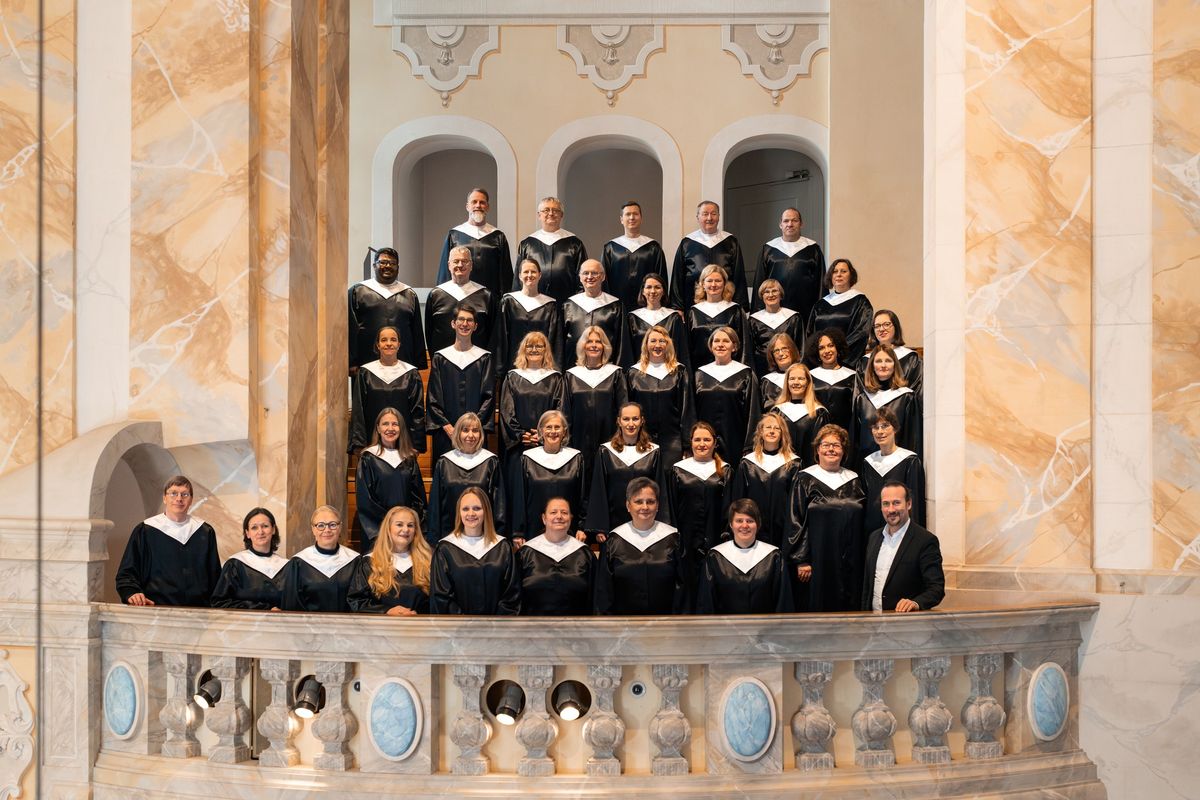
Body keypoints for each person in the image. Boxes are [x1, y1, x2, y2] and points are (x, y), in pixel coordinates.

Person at [789, 424, 866, 613]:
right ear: (817, 450)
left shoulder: (854, 479)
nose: (831, 449)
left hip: (851, 558)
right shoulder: (804, 479)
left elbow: (863, 519)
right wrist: (802, 559)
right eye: (825, 445)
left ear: (843, 451)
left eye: (837, 445)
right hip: (817, 558)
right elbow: (795, 520)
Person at [116, 476, 221, 607]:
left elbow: (215, 576)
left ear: (191, 500)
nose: (179, 499)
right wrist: (132, 592)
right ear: (164, 498)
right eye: (173, 493)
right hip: (156, 609)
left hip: (198, 612)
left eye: (185, 494)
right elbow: (127, 573)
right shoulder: (145, 530)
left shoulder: (204, 531)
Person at [594, 478, 684, 615]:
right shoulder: (613, 541)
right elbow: (604, 592)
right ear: (628, 506)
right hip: (624, 627)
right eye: (638, 502)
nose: (645, 507)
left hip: (665, 626)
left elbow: (683, 590)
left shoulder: (674, 539)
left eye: (650, 501)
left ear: (658, 505)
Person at [665, 422, 730, 610]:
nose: (702, 444)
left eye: (707, 439)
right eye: (697, 439)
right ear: (690, 442)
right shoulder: (678, 470)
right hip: (685, 539)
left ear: (715, 443)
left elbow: (729, 508)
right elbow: (671, 505)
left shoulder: (725, 471)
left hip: (716, 535)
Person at [430, 487, 521, 615]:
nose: (471, 513)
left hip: (497, 629)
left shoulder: (502, 547)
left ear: (486, 511)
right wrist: (465, 626)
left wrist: (496, 625)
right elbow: (441, 597)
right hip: (458, 630)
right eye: (465, 509)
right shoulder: (445, 549)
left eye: (477, 508)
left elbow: (511, 594)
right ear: (459, 512)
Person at [696, 499, 793, 614]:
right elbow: (707, 602)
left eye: (750, 521)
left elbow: (783, 602)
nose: (745, 525)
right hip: (726, 629)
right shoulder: (715, 557)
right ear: (731, 524)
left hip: (765, 629)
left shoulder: (774, 557)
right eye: (739, 520)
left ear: (758, 524)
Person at [426, 304, 496, 461]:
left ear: (475, 326)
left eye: (469, 320)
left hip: (475, 434)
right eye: (461, 319)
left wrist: (473, 428)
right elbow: (433, 398)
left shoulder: (484, 358)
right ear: (453, 324)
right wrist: (449, 428)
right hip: (446, 435)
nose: (465, 324)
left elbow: (489, 397)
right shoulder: (440, 358)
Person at [585, 402, 667, 537]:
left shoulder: (654, 452)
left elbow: (660, 490)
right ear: (619, 421)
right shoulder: (605, 451)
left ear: (642, 421)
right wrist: (600, 527)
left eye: (635, 419)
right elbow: (599, 490)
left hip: (646, 521)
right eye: (626, 419)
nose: (631, 423)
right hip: (613, 523)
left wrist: (661, 524)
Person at [862, 481, 944, 613]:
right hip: (873, 625)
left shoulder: (926, 541)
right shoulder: (874, 538)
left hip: (905, 624)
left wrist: (916, 603)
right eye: (886, 504)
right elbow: (867, 587)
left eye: (896, 503)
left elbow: (936, 588)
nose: (891, 510)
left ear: (909, 504)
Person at [498, 331, 566, 487]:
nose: (534, 349)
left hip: (547, 444)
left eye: (539, 346)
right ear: (523, 349)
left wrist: (543, 435)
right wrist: (522, 435)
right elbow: (506, 412)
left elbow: (560, 411)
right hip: (518, 446)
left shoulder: (555, 378)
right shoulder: (512, 377)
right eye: (530, 346)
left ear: (546, 350)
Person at [725, 412, 801, 551]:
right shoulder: (747, 463)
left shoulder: (793, 464)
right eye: (768, 427)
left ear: (782, 433)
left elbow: (796, 503)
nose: (772, 431)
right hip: (752, 528)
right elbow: (738, 500)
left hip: (783, 529)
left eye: (777, 428)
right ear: (760, 432)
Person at [427, 413, 506, 544]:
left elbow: (499, 505)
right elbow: (435, 505)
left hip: (484, 538)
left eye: (475, 430)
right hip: (449, 536)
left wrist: (498, 537)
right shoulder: (444, 462)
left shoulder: (491, 462)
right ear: (457, 433)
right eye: (465, 430)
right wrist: (434, 540)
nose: (470, 435)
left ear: (481, 434)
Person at [355, 408, 427, 552]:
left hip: (405, 532)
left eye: (395, 424)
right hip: (379, 530)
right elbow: (365, 500)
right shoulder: (368, 458)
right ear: (378, 428)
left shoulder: (409, 459)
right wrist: (389, 526)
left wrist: (406, 526)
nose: (390, 428)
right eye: (385, 424)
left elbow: (418, 498)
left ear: (401, 428)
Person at [510, 410, 587, 543]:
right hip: (534, 529)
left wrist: (583, 526)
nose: (553, 431)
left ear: (564, 431)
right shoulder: (527, 459)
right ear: (541, 432)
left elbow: (583, 495)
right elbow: (520, 499)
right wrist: (518, 531)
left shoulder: (576, 459)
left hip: (568, 529)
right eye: (548, 427)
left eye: (557, 427)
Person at [348, 326, 427, 455]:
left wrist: (416, 445)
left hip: (404, 446)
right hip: (371, 444)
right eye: (384, 340)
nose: (389, 343)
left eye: (393, 340)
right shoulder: (365, 373)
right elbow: (358, 411)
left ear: (399, 344)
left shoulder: (411, 374)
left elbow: (417, 412)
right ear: (378, 345)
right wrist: (359, 444)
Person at [348, 247, 427, 372]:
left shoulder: (409, 294)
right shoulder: (358, 292)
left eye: (392, 263)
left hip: (402, 365)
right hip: (366, 363)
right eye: (383, 262)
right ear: (374, 266)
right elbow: (350, 330)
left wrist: (418, 362)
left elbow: (416, 331)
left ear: (398, 267)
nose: (388, 266)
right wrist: (351, 362)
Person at [564, 326, 628, 480]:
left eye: (598, 342)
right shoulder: (571, 375)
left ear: (604, 346)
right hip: (578, 440)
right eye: (589, 341)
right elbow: (564, 411)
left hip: (609, 438)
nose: (593, 345)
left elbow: (623, 410)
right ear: (583, 346)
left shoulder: (615, 374)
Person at [626, 325, 694, 466]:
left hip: (672, 441)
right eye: (653, 341)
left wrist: (687, 443)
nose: (657, 345)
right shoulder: (634, 374)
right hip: (642, 439)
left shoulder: (679, 371)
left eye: (662, 341)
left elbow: (687, 408)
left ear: (668, 344)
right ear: (646, 344)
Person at [347, 505, 432, 614]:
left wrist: (417, 614)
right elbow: (356, 601)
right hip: (381, 628)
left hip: (419, 628)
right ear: (388, 528)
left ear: (415, 531)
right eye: (399, 524)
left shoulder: (427, 561)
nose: (405, 529)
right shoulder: (370, 562)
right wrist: (387, 611)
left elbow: (435, 601)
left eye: (410, 525)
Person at [516, 498, 595, 615]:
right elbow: (514, 597)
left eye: (564, 512)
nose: (559, 516)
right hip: (532, 628)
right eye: (553, 512)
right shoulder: (525, 553)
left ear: (570, 519)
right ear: (544, 518)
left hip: (576, 628)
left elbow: (595, 597)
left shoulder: (585, 553)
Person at [435, 188, 513, 304]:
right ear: (467, 206)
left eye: (482, 202)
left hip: (490, 301)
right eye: (474, 202)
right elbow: (445, 272)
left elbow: (505, 275)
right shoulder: (454, 235)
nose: (478, 205)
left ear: (487, 207)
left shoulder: (498, 236)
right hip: (459, 299)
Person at [693, 326, 760, 462]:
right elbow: (692, 410)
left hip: (735, 440)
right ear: (711, 346)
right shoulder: (699, 374)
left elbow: (753, 412)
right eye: (716, 341)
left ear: (734, 347)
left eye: (726, 341)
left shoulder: (745, 373)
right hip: (704, 442)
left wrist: (749, 446)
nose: (720, 345)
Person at [279, 506, 359, 612]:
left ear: (340, 527)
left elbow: (359, 601)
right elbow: (292, 604)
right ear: (313, 529)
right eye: (320, 525)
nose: (327, 530)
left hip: (347, 626)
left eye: (333, 525)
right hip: (309, 626)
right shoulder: (298, 563)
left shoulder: (355, 561)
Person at [670, 200, 747, 311]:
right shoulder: (687, 243)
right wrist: (677, 307)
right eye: (705, 214)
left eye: (714, 214)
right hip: (692, 304)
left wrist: (740, 306)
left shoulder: (731, 242)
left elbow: (739, 276)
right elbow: (677, 277)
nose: (709, 218)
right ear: (698, 217)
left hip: (725, 305)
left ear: (719, 216)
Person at [852, 343, 922, 466]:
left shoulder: (907, 397)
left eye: (888, 361)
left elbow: (913, 439)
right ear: (872, 366)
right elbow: (856, 441)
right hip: (868, 466)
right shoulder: (862, 399)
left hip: (898, 466)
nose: (883, 365)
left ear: (895, 365)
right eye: (878, 361)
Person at [752, 207, 826, 322]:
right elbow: (760, 282)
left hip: (806, 311)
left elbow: (821, 283)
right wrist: (758, 314)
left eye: (794, 220)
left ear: (801, 224)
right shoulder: (768, 249)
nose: (790, 224)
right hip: (774, 311)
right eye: (786, 221)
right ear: (780, 224)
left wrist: (821, 313)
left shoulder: (813, 249)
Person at [860, 407, 926, 535]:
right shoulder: (868, 462)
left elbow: (915, 504)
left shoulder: (909, 460)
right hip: (873, 532)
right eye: (875, 427)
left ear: (895, 428)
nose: (880, 431)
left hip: (901, 530)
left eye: (885, 426)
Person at [211, 507, 288, 609]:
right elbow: (220, 603)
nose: (260, 532)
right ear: (247, 533)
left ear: (273, 529)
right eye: (254, 528)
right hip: (246, 623)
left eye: (265, 526)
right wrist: (265, 610)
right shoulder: (235, 565)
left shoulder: (287, 566)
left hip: (282, 623)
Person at [425, 245, 497, 354]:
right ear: (449, 265)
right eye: (456, 261)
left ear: (471, 265)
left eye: (465, 261)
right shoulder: (435, 295)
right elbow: (429, 331)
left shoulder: (486, 296)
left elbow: (493, 334)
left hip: (478, 362)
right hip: (443, 363)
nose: (460, 265)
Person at [515, 196, 588, 302]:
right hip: (534, 304)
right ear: (539, 215)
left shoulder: (574, 243)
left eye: (555, 210)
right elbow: (518, 278)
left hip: (566, 302)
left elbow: (583, 276)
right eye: (546, 210)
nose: (551, 213)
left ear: (561, 215)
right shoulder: (527, 244)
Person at [497, 259, 563, 370]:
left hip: (542, 368)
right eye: (526, 272)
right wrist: (499, 370)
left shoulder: (550, 305)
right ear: (519, 275)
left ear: (540, 275)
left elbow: (555, 341)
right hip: (513, 367)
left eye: (533, 272)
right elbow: (501, 338)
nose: (529, 275)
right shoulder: (508, 302)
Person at [601, 200, 668, 310]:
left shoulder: (653, 247)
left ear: (641, 218)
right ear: (621, 219)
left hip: (647, 307)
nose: (632, 217)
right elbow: (604, 281)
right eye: (628, 214)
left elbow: (661, 277)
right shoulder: (611, 248)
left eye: (635, 214)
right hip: (617, 307)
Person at [806, 258, 874, 365]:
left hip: (847, 362)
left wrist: (837, 351)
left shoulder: (860, 301)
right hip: (822, 361)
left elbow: (861, 332)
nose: (839, 274)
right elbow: (810, 333)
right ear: (831, 276)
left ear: (851, 275)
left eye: (843, 271)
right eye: (835, 271)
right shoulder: (820, 304)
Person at [563, 259, 629, 368]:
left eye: (594, 273)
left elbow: (622, 343)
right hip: (573, 369)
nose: (590, 277)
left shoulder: (615, 306)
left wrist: (618, 372)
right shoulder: (568, 305)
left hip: (606, 370)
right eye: (585, 273)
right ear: (580, 277)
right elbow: (561, 342)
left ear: (603, 277)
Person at [686, 264, 750, 368]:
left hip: (730, 371)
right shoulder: (693, 312)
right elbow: (687, 348)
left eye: (718, 281)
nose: (714, 284)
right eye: (709, 281)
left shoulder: (735, 310)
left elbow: (744, 346)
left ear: (725, 284)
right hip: (699, 372)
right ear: (702, 284)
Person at [771, 363, 829, 467]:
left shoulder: (819, 413)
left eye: (801, 379)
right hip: (782, 470)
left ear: (808, 383)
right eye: (792, 378)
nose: (796, 382)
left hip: (810, 470)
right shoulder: (777, 411)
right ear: (787, 382)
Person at [626, 272, 689, 369]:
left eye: (657, 287)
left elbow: (681, 350)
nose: (652, 291)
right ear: (642, 291)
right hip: (640, 373)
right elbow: (629, 351)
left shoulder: (674, 317)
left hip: (669, 372)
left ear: (663, 291)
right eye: (648, 287)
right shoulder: (632, 318)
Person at [748, 279, 804, 377]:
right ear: (762, 296)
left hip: (789, 369)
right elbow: (750, 350)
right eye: (766, 292)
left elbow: (800, 346)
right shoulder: (753, 320)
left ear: (781, 294)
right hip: (761, 369)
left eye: (774, 291)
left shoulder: (793, 317)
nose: (771, 295)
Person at [860, 309, 923, 395]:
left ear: (896, 327)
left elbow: (918, 393)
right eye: (877, 326)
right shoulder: (865, 361)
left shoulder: (912, 359)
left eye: (886, 324)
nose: (881, 329)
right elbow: (859, 395)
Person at [806, 328, 857, 431]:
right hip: (816, 431)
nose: (827, 351)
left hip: (845, 431)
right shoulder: (810, 376)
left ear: (838, 348)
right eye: (821, 348)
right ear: (817, 353)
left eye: (831, 345)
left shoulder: (853, 375)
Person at [759, 333, 802, 410]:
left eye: (784, 348)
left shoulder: (805, 376)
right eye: (776, 351)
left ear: (792, 350)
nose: (781, 353)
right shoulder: (767, 382)